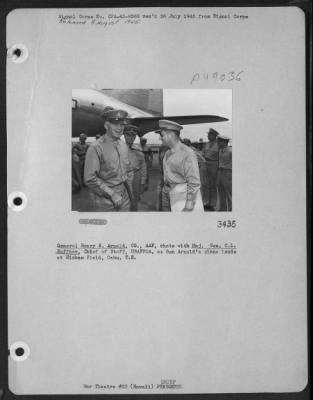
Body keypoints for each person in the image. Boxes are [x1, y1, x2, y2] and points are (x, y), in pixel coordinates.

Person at [84, 109, 134, 211]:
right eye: (115, 124)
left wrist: (129, 184)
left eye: (122, 125)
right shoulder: (96, 148)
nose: (120, 128)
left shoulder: (123, 145)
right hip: (105, 200)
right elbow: (90, 178)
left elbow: (128, 168)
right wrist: (112, 194)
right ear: (106, 126)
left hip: (124, 196)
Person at [156, 120, 203, 212]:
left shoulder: (188, 153)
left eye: (162, 135)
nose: (160, 138)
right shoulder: (167, 153)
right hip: (166, 192)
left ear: (171, 134)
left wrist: (189, 205)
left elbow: (194, 183)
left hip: (181, 195)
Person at [124, 125, 147, 211]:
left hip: (136, 176)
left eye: (133, 135)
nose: (131, 137)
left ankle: (133, 214)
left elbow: (143, 166)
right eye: (128, 134)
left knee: (135, 197)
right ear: (124, 135)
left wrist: (143, 181)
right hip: (124, 176)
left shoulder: (138, 149)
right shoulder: (118, 147)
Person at [202, 128, 219, 210]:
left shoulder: (218, 144)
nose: (208, 136)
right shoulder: (207, 144)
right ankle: (205, 202)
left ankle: (212, 203)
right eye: (208, 135)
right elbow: (203, 153)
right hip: (206, 163)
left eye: (210, 135)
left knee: (213, 185)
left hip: (214, 164)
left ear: (214, 136)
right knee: (205, 184)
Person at [216, 134, 232, 211]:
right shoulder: (220, 150)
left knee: (229, 193)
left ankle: (231, 209)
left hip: (228, 173)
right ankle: (223, 208)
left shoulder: (231, 151)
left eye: (219, 141)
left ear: (224, 142)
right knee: (221, 192)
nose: (217, 143)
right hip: (220, 172)